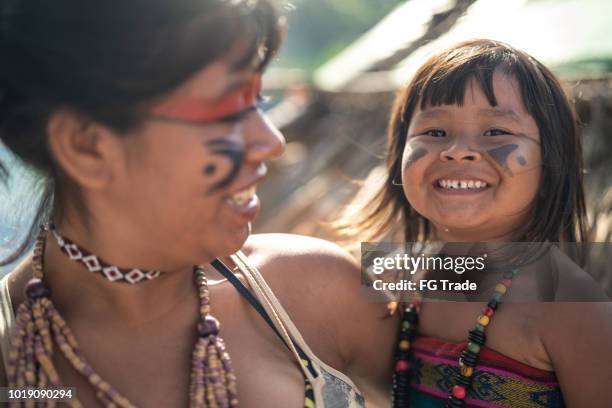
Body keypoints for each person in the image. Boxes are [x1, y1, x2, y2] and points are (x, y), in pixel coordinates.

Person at [0, 0, 397, 407]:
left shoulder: (321, 286)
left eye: (258, 103)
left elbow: (448, 296)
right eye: (227, 113)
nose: (273, 142)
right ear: (86, 147)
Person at [336, 39, 612, 407]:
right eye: (434, 132)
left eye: (496, 132)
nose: (457, 149)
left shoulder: (571, 306)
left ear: (551, 163)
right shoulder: (394, 280)